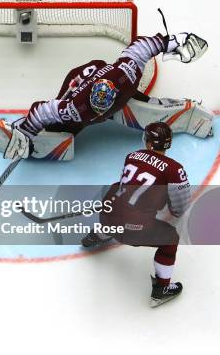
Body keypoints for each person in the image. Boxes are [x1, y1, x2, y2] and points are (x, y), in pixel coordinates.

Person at [0, 32, 212, 161]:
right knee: (59, 131)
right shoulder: (76, 108)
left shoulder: (127, 72)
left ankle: (189, 115)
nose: (100, 114)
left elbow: (143, 47)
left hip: (101, 78)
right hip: (78, 82)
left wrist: (173, 41)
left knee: (145, 112)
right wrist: (27, 131)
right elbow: (43, 109)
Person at [82, 122, 191, 307]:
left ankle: (98, 234)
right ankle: (161, 289)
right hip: (134, 228)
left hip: (107, 214)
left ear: (148, 143)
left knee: (117, 193)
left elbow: (125, 188)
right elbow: (179, 208)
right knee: (170, 239)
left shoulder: (131, 156)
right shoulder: (174, 169)